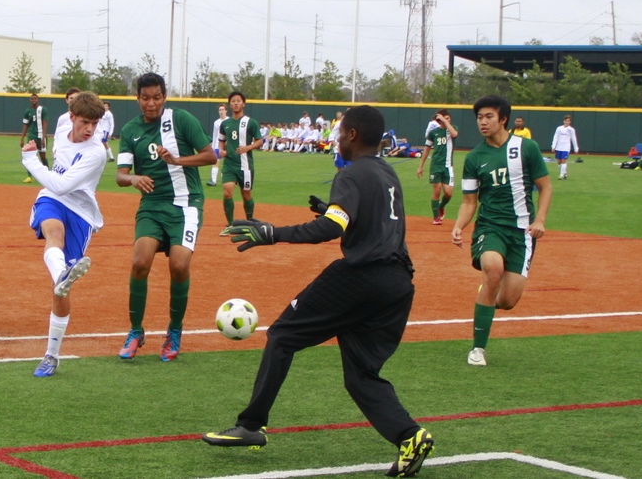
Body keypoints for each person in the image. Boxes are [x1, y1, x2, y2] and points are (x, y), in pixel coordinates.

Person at [203, 105, 433, 478]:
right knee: (361, 373)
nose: (336, 139)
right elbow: (368, 221)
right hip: (397, 283)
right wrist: (333, 210)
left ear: (354, 135)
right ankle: (410, 436)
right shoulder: (387, 174)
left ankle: (250, 425)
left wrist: (273, 233)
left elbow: (332, 229)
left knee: (281, 336)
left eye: (340, 132)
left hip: (361, 276)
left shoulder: (351, 173)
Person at [115, 73, 217, 362]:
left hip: (186, 205)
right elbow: (120, 175)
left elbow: (211, 156)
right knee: (139, 263)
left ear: (164, 97)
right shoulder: (131, 129)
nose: (151, 103)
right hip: (152, 205)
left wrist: (176, 160)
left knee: (179, 264)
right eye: (145, 98)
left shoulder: (181, 119)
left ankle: (174, 330)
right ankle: (135, 331)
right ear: (137, 98)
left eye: (156, 97)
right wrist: (133, 178)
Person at [451, 95, 552, 367]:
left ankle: (486, 295)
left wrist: (539, 220)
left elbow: (545, 187)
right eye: (479, 117)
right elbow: (469, 201)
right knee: (493, 269)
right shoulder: (474, 157)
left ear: (503, 119)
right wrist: (459, 225)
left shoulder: (527, 148)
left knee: (507, 301)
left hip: (522, 233)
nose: (482, 122)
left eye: (488, 117)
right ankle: (477, 349)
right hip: (490, 227)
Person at [22, 91, 107, 377]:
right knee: (52, 231)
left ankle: (52, 355)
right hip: (52, 200)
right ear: (71, 117)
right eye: (85, 122)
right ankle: (62, 274)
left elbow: (62, 185)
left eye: (95, 124)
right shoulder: (60, 124)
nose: (90, 129)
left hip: (81, 211)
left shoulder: (95, 152)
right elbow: (54, 190)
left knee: (60, 294)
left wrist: (32, 162)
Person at [220, 91, 264, 226]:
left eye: (238, 101)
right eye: (233, 101)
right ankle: (230, 224)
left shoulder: (251, 122)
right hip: (229, 164)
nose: (235, 103)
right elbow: (221, 140)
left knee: (246, 195)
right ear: (230, 104)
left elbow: (259, 141)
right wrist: (221, 149)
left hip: (245, 165)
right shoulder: (225, 123)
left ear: (243, 104)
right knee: (227, 192)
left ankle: (250, 220)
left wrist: (247, 148)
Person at [416, 110, 457, 225]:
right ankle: (436, 217)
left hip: (448, 166)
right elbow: (427, 149)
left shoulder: (452, 129)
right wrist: (421, 166)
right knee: (437, 189)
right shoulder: (433, 133)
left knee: (448, 193)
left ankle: (441, 206)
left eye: (448, 118)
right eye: (444, 118)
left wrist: (445, 121)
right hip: (436, 165)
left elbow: (454, 134)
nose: (447, 120)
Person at [21, 93, 49, 183]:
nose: (33, 100)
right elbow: (25, 125)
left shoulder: (42, 110)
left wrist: (43, 137)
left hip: (40, 136)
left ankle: (48, 176)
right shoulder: (27, 111)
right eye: (32, 98)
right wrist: (22, 138)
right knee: (30, 156)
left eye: (35, 98)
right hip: (31, 136)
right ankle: (29, 177)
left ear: (38, 99)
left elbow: (45, 123)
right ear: (30, 100)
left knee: (43, 157)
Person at [207, 104, 229, 186]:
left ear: (226, 111)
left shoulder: (229, 121)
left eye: (223, 109)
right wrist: (213, 146)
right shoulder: (216, 122)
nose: (221, 111)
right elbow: (215, 134)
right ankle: (213, 180)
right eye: (220, 110)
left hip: (228, 145)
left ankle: (227, 180)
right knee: (216, 161)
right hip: (217, 145)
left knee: (228, 163)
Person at [551, 115, 579, 180]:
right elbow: (555, 137)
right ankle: (564, 172)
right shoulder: (559, 128)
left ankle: (561, 175)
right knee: (558, 161)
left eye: (568, 121)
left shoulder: (571, 130)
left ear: (570, 122)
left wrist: (576, 148)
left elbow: (573, 139)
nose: (567, 122)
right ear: (563, 121)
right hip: (559, 147)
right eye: (566, 121)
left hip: (566, 147)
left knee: (564, 160)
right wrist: (553, 146)